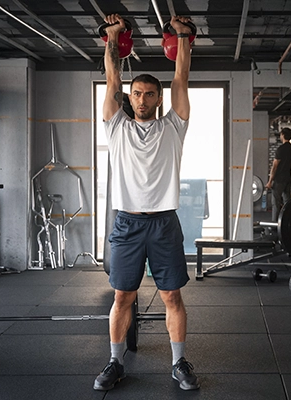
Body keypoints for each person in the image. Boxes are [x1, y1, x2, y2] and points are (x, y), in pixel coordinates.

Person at [93, 14, 200, 391]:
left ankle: (178, 362)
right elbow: (112, 78)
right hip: (127, 222)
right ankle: (115, 362)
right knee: (123, 295)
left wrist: (183, 38)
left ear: (158, 98)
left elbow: (181, 78)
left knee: (172, 295)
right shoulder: (116, 125)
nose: (141, 99)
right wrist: (113, 36)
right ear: (130, 97)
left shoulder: (174, 126)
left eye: (149, 94)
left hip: (163, 223)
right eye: (136, 94)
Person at [265, 127, 291, 223]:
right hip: (288, 178)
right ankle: (288, 222)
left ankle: (275, 224)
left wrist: (270, 182)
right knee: (287, 202)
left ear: (282, 135)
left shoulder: (280, 149)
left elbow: (274, 167)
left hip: (279, 180)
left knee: (276, 203)